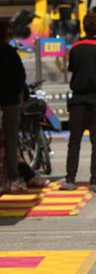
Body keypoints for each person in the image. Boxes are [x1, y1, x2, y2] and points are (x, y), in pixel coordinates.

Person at [61, 13, 96, 193]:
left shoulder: (75, 48)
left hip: (78, 100)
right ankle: (94, 180)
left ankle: (70, 179)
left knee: (74, 141)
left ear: (83, 28)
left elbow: (72, 69)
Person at [0, 22, 28, 193]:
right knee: (11, 140)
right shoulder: (10, 53)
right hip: (9, 101)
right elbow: (20, 77)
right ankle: (13, 178)